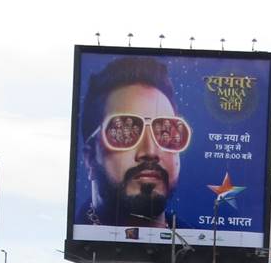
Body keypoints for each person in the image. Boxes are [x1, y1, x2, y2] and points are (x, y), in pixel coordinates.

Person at [75, 56, 191, 228]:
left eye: (165, 132)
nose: (150, 151)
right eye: (125, 133)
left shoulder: (204, 245)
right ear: (90, 159)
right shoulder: (82, 238)